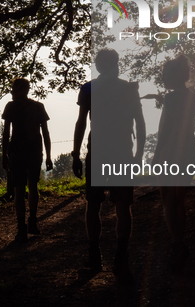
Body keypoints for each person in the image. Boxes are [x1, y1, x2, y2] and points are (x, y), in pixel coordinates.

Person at [72, 48, 146, 284]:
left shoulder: (88, 88)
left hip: (98, 152)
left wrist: (76, 153)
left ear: (98, 65)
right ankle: (121, 258)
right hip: (123, 151)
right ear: (116, 64)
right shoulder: (129, 88)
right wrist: (138, 155)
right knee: (123, 206)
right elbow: (140, 124)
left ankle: (94, 255)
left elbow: (81, 122)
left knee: (93, 204)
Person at [146, 54, 195, 271]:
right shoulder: (193, 97)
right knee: (179, 200)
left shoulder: (170, 99)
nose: (162, 78)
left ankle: (177, 244)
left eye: (164, 74)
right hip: (189, 149)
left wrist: (156, 156)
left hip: (170, 152)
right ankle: (180, 243)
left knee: (168, 200)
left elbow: (165, 129)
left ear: (173, 76)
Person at [2, 78, 53, 243]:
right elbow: (45, 133)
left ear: (20, 90)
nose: (11, 92)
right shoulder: (38, 107)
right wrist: (48, 155)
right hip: (34, 150)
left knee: (19, 189)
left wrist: (4, 154)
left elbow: (5, 133)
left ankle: (21, 227)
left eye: (13, 89)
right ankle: (31, 220)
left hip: (18, 151)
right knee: (32, 185)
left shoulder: (11, 107)